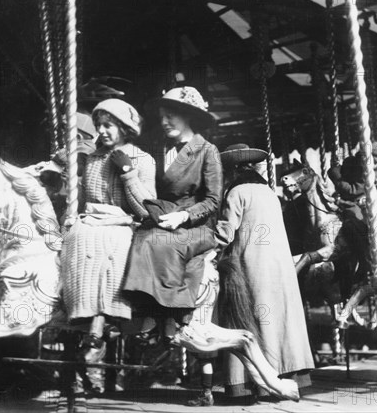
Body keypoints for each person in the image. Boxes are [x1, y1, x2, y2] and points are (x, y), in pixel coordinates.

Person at [215, 143, 314, 403]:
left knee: (249, 319)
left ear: (234, 170)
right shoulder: (268, 192)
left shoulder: (236, 192)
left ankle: (251, 384)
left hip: (252, 263)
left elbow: (225, 233)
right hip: (278, 265)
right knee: (279, 320)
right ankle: (288, 374)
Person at [123, 86, 223, 346]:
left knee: (160, 244)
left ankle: (169, 313)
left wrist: (183, 217)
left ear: (187, 115)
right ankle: (143, 309)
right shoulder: (158, 147)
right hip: (162, 217)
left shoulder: (206, 150)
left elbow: (213, 201)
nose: (165, 122)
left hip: (195, 226)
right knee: (138, 238)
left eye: (171, 116)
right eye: (162, 116)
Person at [61, 99, 156, 362]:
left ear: (124, 128)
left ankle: (100, 323)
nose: (102, 130)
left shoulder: (143, 160)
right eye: (99, 125)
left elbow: (146, 209)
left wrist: (128, 173)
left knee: (112, 245)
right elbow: (80, 200)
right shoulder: (92, 159)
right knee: (73, 238)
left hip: (121, 221)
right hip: (90, 218)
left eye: (108, 125)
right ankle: (74, 312)